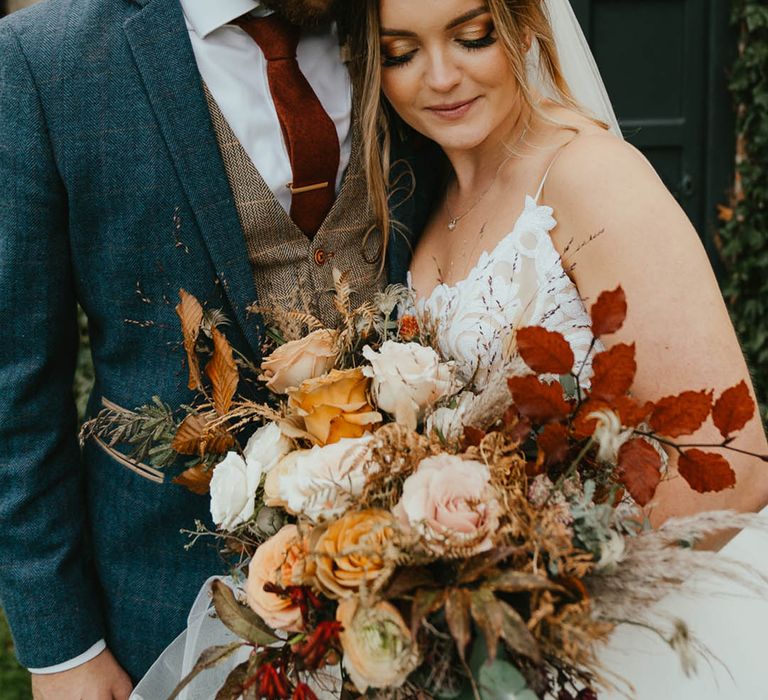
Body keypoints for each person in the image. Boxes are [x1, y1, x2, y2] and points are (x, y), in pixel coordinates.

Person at [0, 0, 436, 697]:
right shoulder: (42, 60)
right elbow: (15, 383)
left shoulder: (407, 21)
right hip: (161, 599)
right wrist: (62, 649)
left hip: (413, 589)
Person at [342, 0, 768, 695]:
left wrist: (529, 604)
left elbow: (732, 465)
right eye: (401, 52)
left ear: (526, 25)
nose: (441, 76)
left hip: (610, 640)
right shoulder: (423, 200)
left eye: (472, 37)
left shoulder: (591, 176)